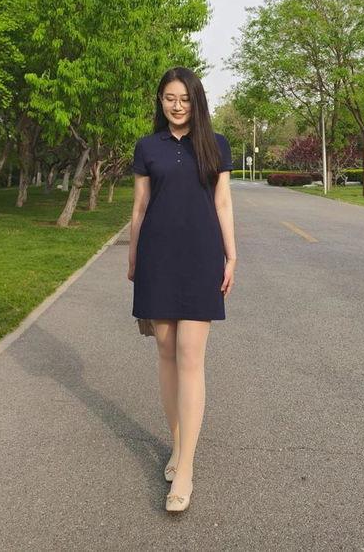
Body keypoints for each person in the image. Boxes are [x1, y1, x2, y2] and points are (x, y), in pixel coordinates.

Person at [127, 66, 237, 512]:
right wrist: (133, 258)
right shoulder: (147, 147)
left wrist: (232, 255)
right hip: (157, 258)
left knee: (191, 356)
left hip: (201, 258)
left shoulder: (216, 145)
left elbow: (223, 202)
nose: (177, 106)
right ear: (161, 101)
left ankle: (186, 467)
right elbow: (140, 207)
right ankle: (176, 445)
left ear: (197, 101)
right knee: (166, 353)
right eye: (170, 98)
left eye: (185, 98)